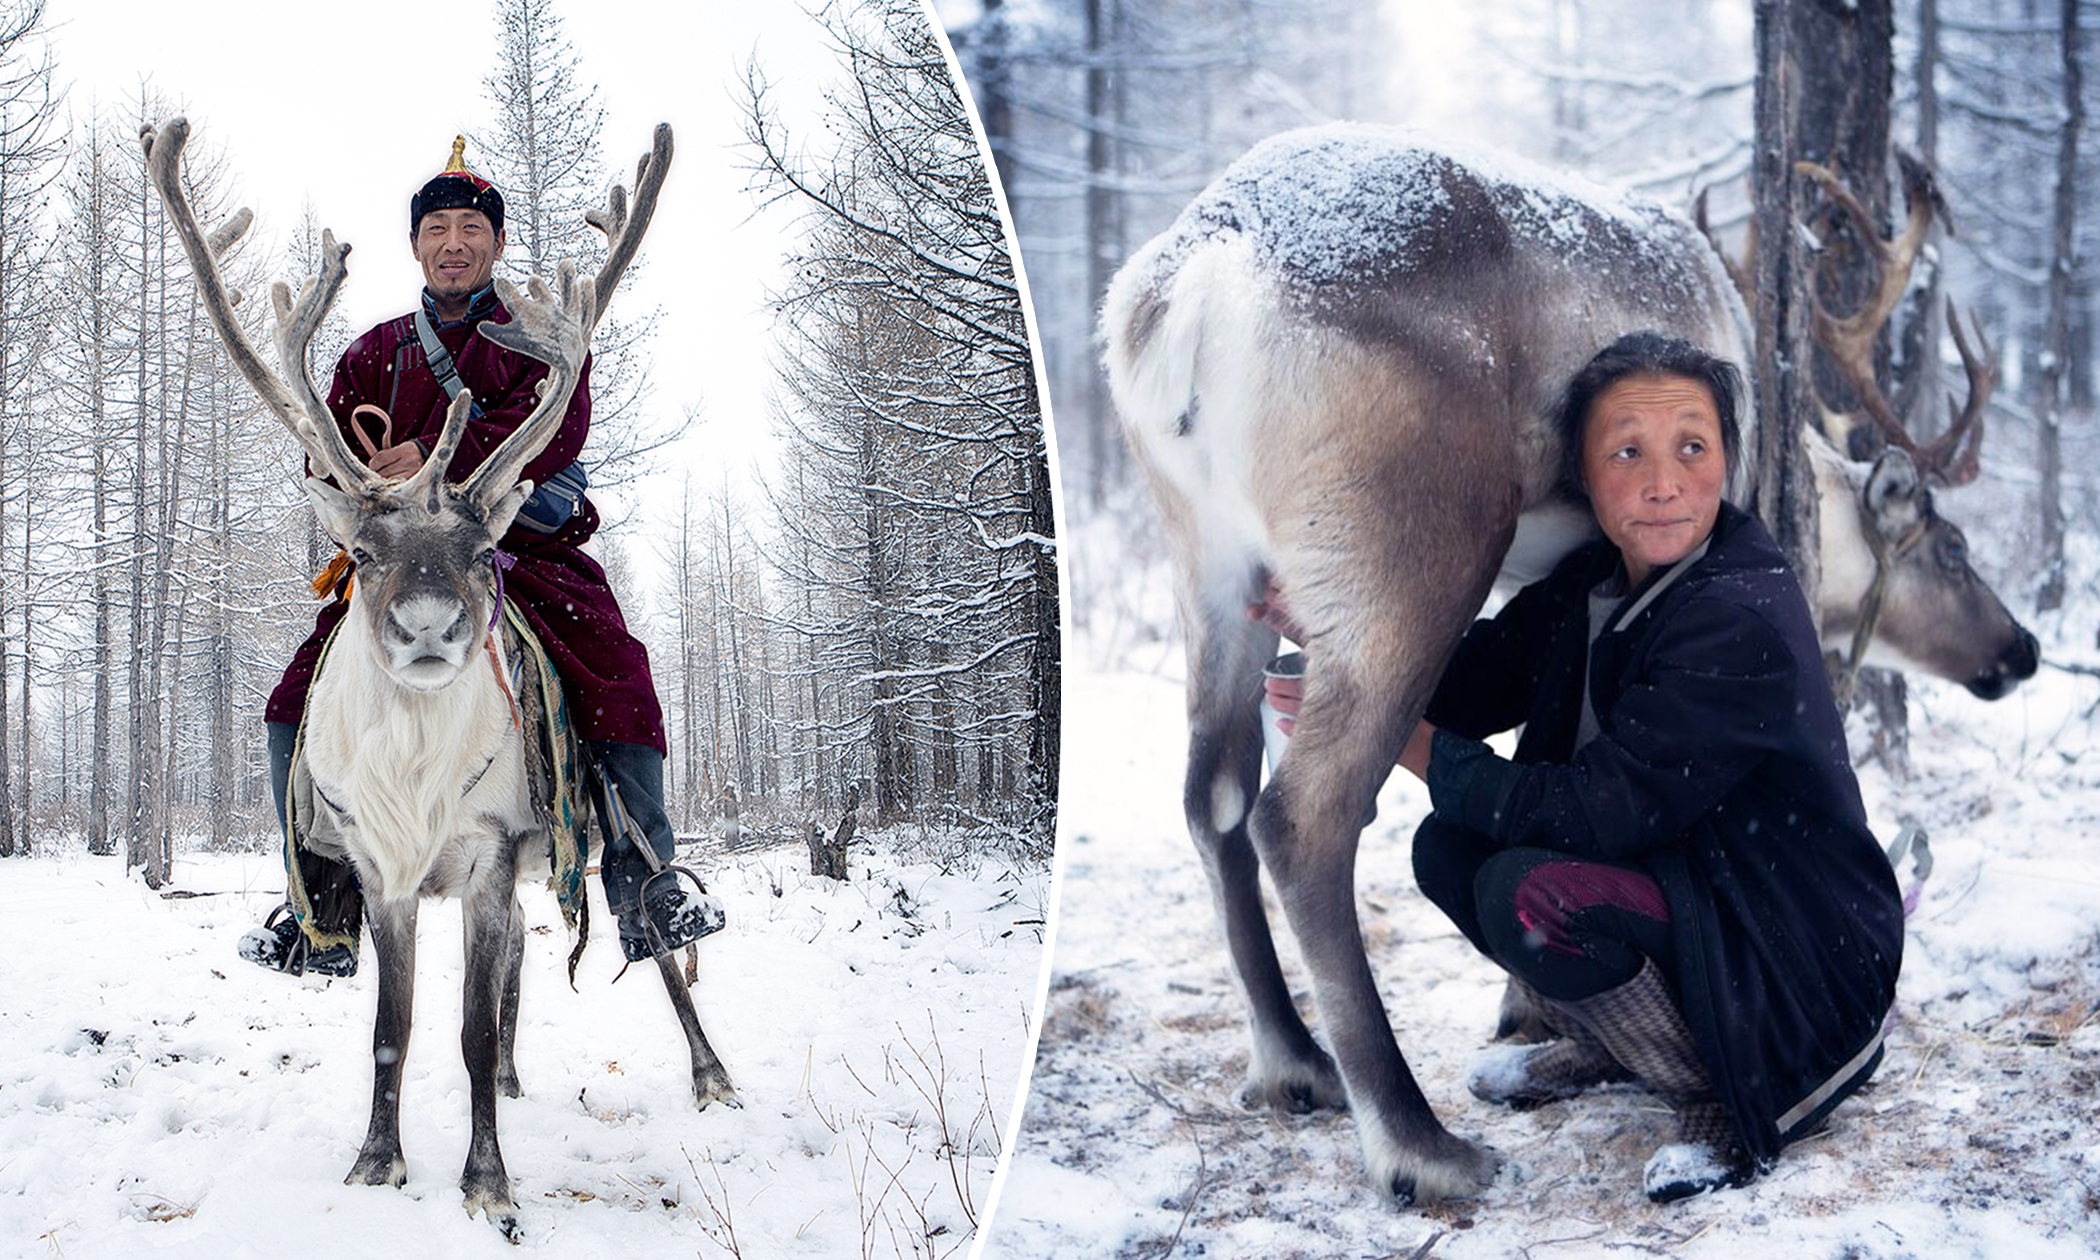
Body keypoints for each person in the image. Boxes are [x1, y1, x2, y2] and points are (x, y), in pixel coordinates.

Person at [1262, 331, 1903, 1202]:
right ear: (1584, 475)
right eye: (1626, 451)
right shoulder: (1597, 580)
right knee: (1449, 849)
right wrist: (1340, 646)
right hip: (1694, 892)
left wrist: (1397, 740)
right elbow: (1475, 678)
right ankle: (1620, 1042)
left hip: (1793, 968)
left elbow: (1598, 813)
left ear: (1728, 460)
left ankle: (1720, 1088)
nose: (1663, 482)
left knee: (1532, 894)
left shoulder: (1738, 616)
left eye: (1692, 448)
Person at [239, 139, 716, 975]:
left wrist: (430, 453)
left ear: (494, 244)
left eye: (470, 228)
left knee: (616, 673)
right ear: (417, 246)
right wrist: (352, 471)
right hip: (394, 568)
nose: (454, 243)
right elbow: (321, 447)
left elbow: (558, 428)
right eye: (437, 229)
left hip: (519, 558)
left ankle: (647, 882)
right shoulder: (372, 353)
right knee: (294, 700)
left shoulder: (537, 336)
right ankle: (318, 901)